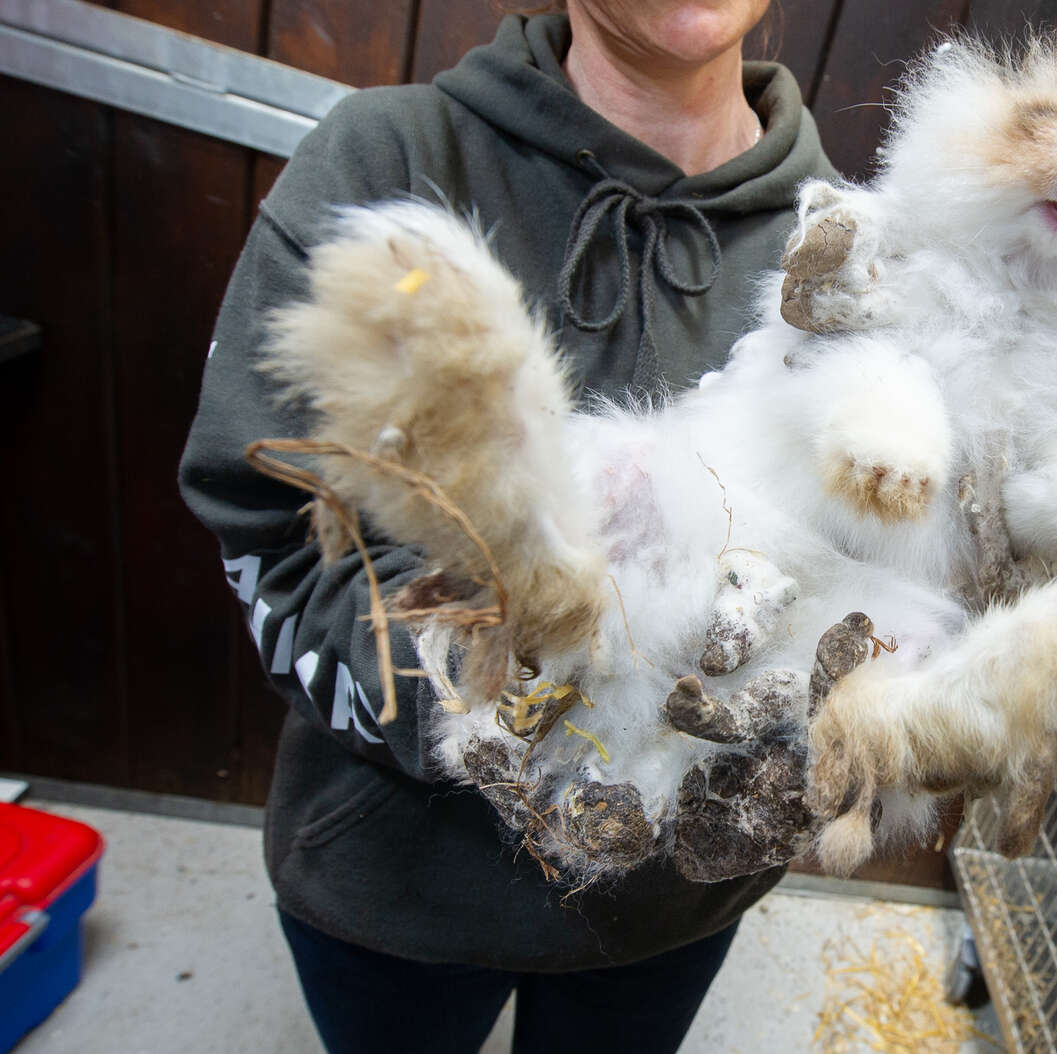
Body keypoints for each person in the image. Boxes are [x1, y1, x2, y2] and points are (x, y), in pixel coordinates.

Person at [177, 2, 837, 1050]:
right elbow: (271, 519)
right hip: (393, 886)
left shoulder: (845, 248)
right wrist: (479, 704)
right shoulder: (386, 159)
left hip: (667, 902)